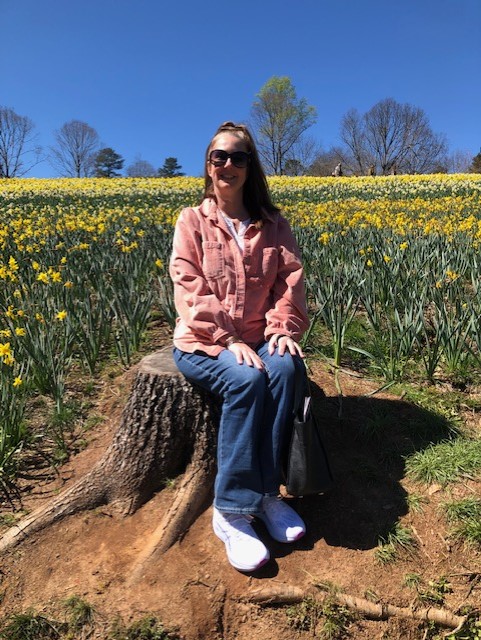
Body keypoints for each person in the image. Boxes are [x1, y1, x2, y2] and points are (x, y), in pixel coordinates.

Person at [169, 121, 310, 572]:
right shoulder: (191, 221)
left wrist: (281, 329)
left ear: (251, 168)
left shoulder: (273, 224)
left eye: (238, 157)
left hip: (258, 337)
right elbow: (187, 285)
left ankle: (266, 496)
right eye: (219, 157)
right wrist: (228, 339)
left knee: (285, 368)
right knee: (247, 379)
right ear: (208, 166)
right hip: (203, 342)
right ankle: (229, 510)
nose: (228, 164)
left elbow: (289, 282)